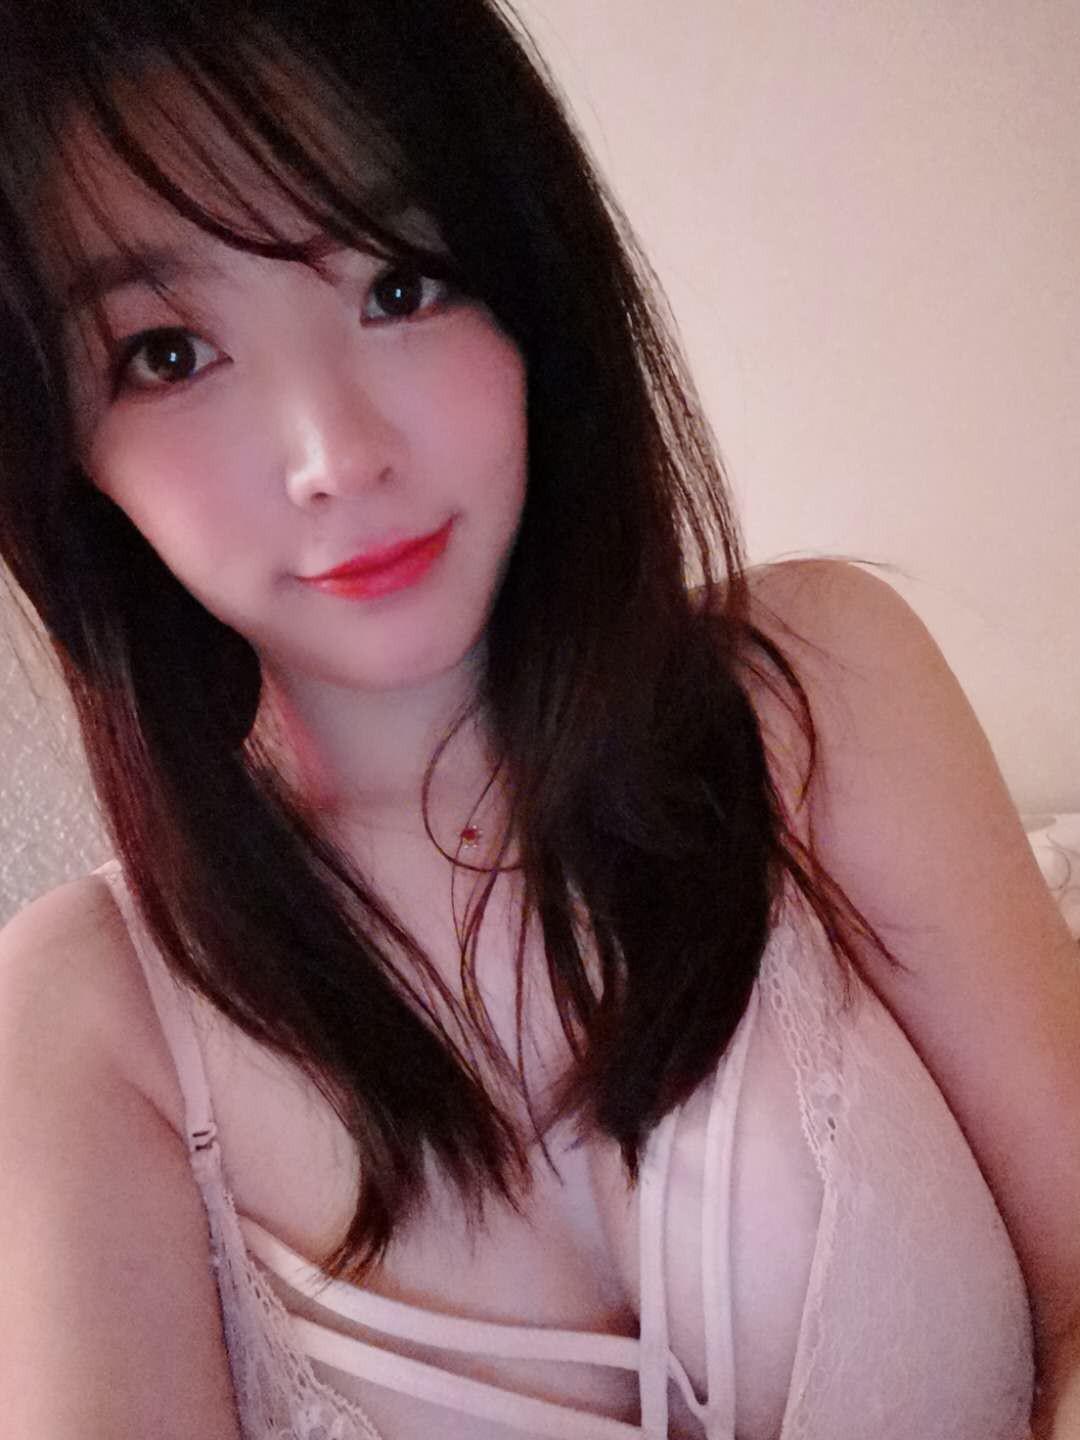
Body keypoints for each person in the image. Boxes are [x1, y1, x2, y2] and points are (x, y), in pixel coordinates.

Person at [0, 2, 1076, 1437]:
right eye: (168, 353)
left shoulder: (817, 687)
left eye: (398, 284)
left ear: (532, 286)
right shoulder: (80, 1022)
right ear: (64, 449)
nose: (336, 457)